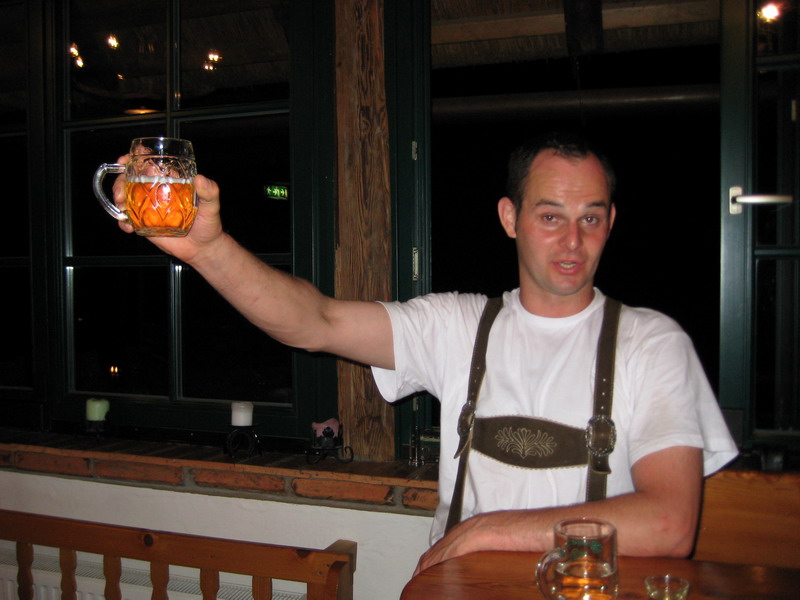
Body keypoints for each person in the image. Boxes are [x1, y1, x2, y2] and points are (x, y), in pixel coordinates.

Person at [112, 131, 737, 575]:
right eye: (551, 217)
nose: (573, 241)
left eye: (590, 219)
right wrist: (208, 250)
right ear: (510, 218)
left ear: (611, 222)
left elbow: (670, 525)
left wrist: (485, 531)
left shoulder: (652, 344)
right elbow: (315, 322)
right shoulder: (458, 325)